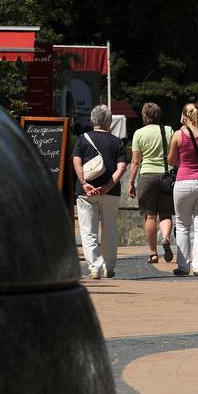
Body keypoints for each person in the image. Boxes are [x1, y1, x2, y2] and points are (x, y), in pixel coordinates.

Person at [72, 104, 128, 279]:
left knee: (88, 230)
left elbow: (76, 162)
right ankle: (109, 267)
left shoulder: (82, 139)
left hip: (86, 191)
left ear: (92, 120)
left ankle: (95, 267)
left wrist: (84, 182)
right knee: (110, 229)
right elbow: (122, 167)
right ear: (109, 121)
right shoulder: (117, 142)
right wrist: (108, 186)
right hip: (110, 192)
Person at [167, 103, 198, 276]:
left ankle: (183, 266)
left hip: (183, 182)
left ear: (184, 116)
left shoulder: (178, 135)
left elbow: (171, 161)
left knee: (182, 225)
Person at [127, 102, 175, 264]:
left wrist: (131, 182)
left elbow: (135, 161)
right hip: (166, 176)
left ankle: (154, 253)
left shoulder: (139, 133)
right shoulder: (168, 131)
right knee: (166, 213)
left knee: (150, 216)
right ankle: (166, 238)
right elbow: (175, 154)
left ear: (144, 116)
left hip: (147, 176)